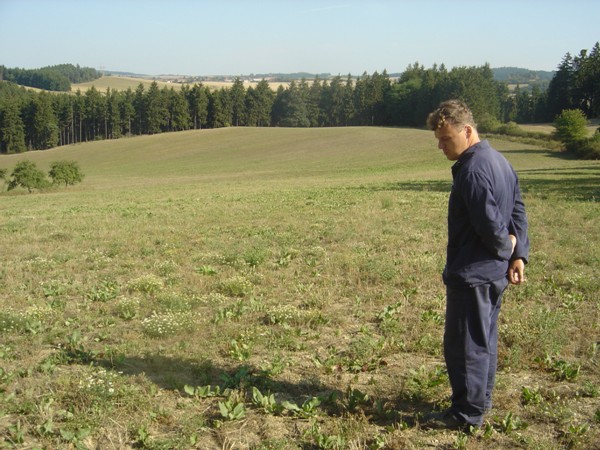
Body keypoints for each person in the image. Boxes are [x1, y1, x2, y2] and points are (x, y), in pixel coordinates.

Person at [422, 100, 530, 430]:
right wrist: (518, 255)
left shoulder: (473, 171)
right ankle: (479, 404)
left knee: (465, 345)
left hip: (474, 274)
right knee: (483, 341)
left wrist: (507, 247)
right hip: (492, 273)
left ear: (467, 131)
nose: (441, 146)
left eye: (446, 138)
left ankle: (466, 416)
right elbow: (518, 211)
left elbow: (492, 226)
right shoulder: (500, 161)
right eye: (438, 140)